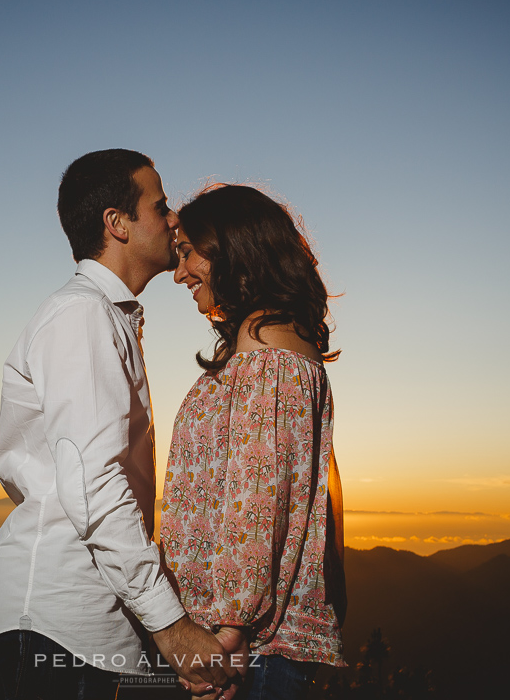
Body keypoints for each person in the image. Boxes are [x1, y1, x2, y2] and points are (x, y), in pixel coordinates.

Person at [0, 150, 240, 700]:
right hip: (49, 625)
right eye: (159, 206)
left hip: (68, 625)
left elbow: (51, 475)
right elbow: (92, 481)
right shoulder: (83, 315)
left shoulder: (103, 315)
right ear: (116, 223)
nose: (173, 219)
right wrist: (171, 626)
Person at [162, 184, 348, 700]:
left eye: (187, 253)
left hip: (248, 649)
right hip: (245, 641)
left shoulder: (267, 352)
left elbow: (257, 499)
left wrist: (231, 630)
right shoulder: (276, 343)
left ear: (232, 249)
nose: (178, 274)